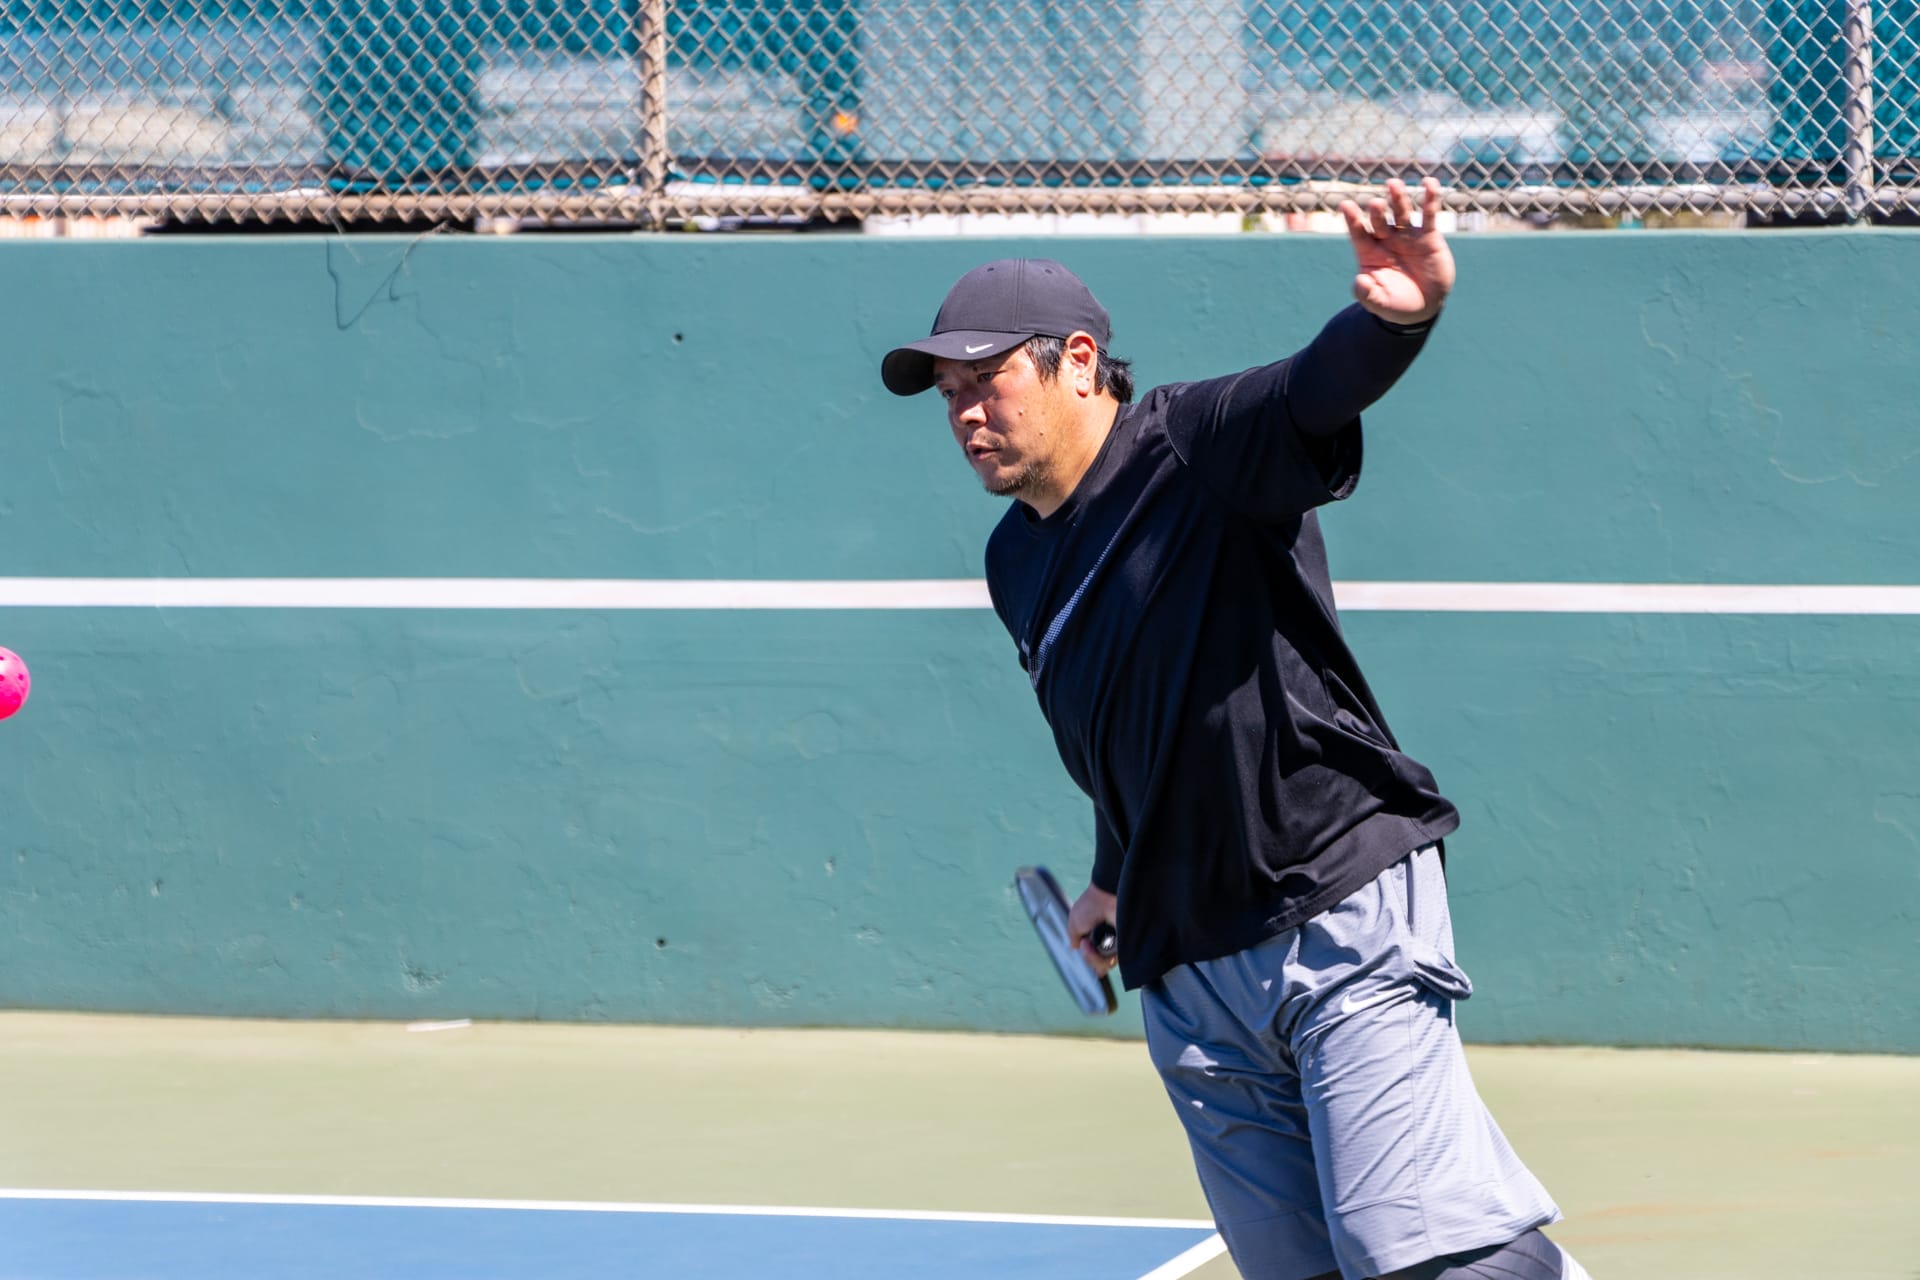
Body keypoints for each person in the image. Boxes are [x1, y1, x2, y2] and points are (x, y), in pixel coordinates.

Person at [879, 178, 1593, 1280]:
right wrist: (1113, 876)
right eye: (949, 392)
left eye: (989, 379)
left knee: (1422, 1255)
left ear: (1079, 362)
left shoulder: (1195, 443)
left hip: (1334, 902)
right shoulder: (1013, 559)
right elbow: (1123, 728)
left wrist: (1396, 320)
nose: (966, 411)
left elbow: (1312, 392)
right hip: (1187, 961)